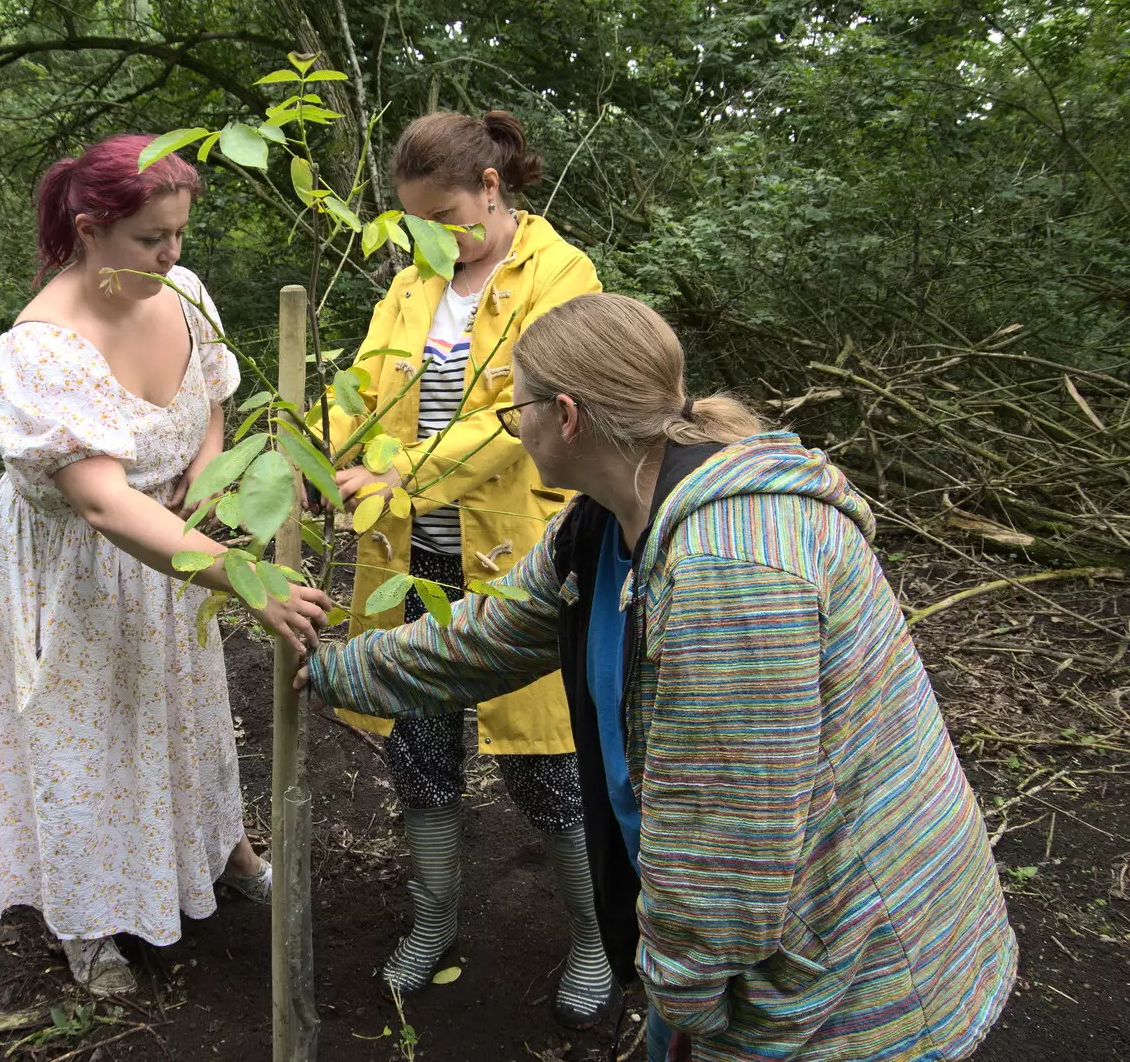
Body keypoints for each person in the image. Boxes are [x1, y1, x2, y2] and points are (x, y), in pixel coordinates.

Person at [301, 293, 1017, 1060]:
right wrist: (325, 669)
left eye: (517, 414)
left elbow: (731, 847)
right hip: (759, 957)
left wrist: (682, 1000)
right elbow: (490, 637)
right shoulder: (602, 523)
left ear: (566, 416)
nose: (517, 432)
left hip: (855, 976)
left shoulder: (729, 571)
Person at [0, 135, 331, 997]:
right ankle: (90, 920)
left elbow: (210, 396)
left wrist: (208, 470)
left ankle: (223, 852)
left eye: (180, 236)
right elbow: (102, 503)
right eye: (151, 240)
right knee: (86, 737)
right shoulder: (39, 354)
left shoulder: (181, 290)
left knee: (183, 708)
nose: (173, 257)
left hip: (175, 548)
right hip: (81, 574)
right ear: (90, 229)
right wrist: (247, 578)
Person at [319, 110, 613, 1027]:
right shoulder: (410, 284)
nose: (433, 239)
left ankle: (601, 936)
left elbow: (515, 418)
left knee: (547, 764)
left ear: (492, 186)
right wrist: (338, 454)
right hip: (408, 560)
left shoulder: (561, 272)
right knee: (418, 748)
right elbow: (359, 388)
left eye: (445, 216)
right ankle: (434, 920)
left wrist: (399, 473)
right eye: (415, 224)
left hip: (518, 565)